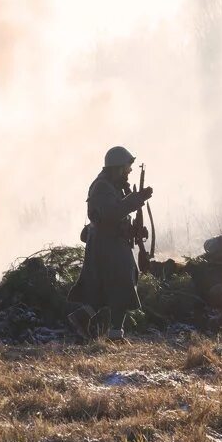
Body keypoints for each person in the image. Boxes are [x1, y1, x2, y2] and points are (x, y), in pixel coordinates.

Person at [67, 146, 153, 340]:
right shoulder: (102, 187)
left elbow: (117, 214)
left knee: (114, 284)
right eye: (126, 167)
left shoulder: (112, 185)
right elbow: (110, 214)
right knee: (123, 282)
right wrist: (136, 199)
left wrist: (134, 229)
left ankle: (86, 319)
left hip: (112, 241)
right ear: (118, 167)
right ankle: (114, 334)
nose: (130, 171)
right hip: (106, 243)